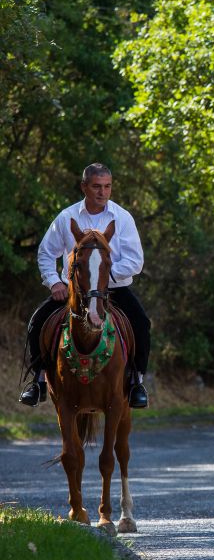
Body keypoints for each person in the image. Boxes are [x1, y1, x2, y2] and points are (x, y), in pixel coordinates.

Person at [19, 163, 151, 408]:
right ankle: (37, 380)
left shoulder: (122, 218)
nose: (103, 192)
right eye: (97, 186)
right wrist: (55, 282)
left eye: (107, 186)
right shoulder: (66, 217)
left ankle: (136, 381)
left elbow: (135, 261)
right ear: (84, 187)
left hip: (114, 289)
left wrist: (101, 279)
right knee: (37, 322)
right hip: (74, 291)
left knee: (141, 323)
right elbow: (47, 253)